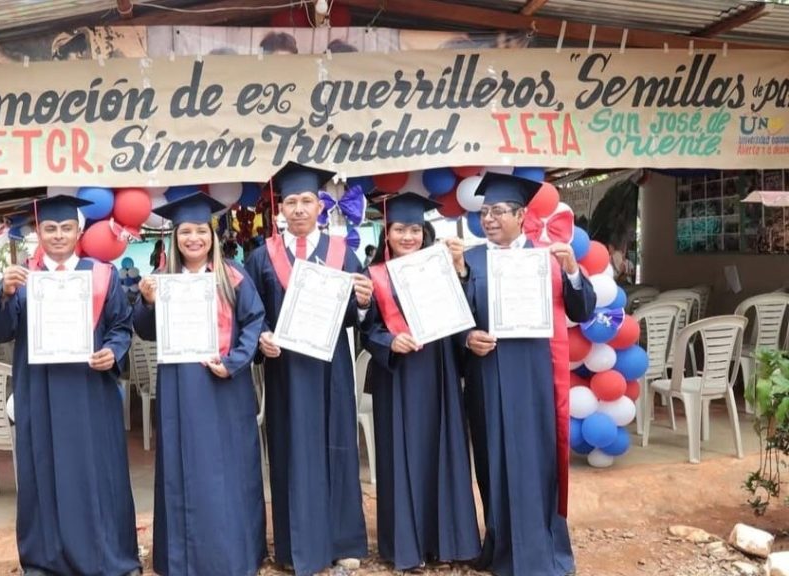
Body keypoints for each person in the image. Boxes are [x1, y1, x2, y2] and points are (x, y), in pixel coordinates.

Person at [0, 196, 141, 576]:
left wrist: (112, 350)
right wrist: (3, 295)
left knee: (96, 472)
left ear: (79, 231)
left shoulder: (103, 274)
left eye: (66, 228)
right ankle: (47, 559)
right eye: (50, 228)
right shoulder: (21, 279)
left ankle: (107, 556)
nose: (58, 235)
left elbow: (121, 327)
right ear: (39, 231)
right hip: (41, 393)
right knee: (45, 472)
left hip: (91, 393)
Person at [461, 173, 596, 576]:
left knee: (535, 461)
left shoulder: (548, 257)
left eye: (499, 211)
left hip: (537, 377)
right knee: (492, 457)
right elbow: (456, 318)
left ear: (521, 216)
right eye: (484, 212)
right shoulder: (470, 261)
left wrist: (573, 270)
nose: (489, 219)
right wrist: (468, 337)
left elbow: (582, 310)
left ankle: (541, 547)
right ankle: (500, 545)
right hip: (488, 374)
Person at [244, 162, 370, 575]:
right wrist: (261, 336)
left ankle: (342, 541)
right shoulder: (262, 256)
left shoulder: (342, 252)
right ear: (281, 209)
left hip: (330, 364)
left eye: (307, 201)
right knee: (291, 449)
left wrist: (363, 301)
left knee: (336, 445)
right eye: (292, 202)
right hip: (285, 370)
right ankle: (294, 545)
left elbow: (352, 314)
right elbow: (252, 313)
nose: (299, 209)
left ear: (320, 205)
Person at [133, 192, 267, 576]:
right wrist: (145, 303)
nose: (194, 238)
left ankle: (232, 553)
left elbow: (254, 322)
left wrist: (234, 362)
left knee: (228, 467)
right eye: (186, 232)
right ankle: (181, 557)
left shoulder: (234, 275)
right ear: (175, 237)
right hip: (179, 386)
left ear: (212, 233)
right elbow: (143, 331)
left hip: (223, 383)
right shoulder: (162, 280)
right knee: (183, 465)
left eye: (201, 231)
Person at [362, 193, 481, 571]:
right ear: (388, 233)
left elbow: (466, 311)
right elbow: (367, 330)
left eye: (415, 229)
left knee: (443, 450)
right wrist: (389, 340)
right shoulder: (374, 274)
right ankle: (406, 549)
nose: (408, 236)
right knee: (400, 457)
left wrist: (461, 270)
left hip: (440, 369)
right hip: (397, 374)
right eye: (400, 229)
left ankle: (450, 544)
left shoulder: (441, 266)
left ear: (424, 232)